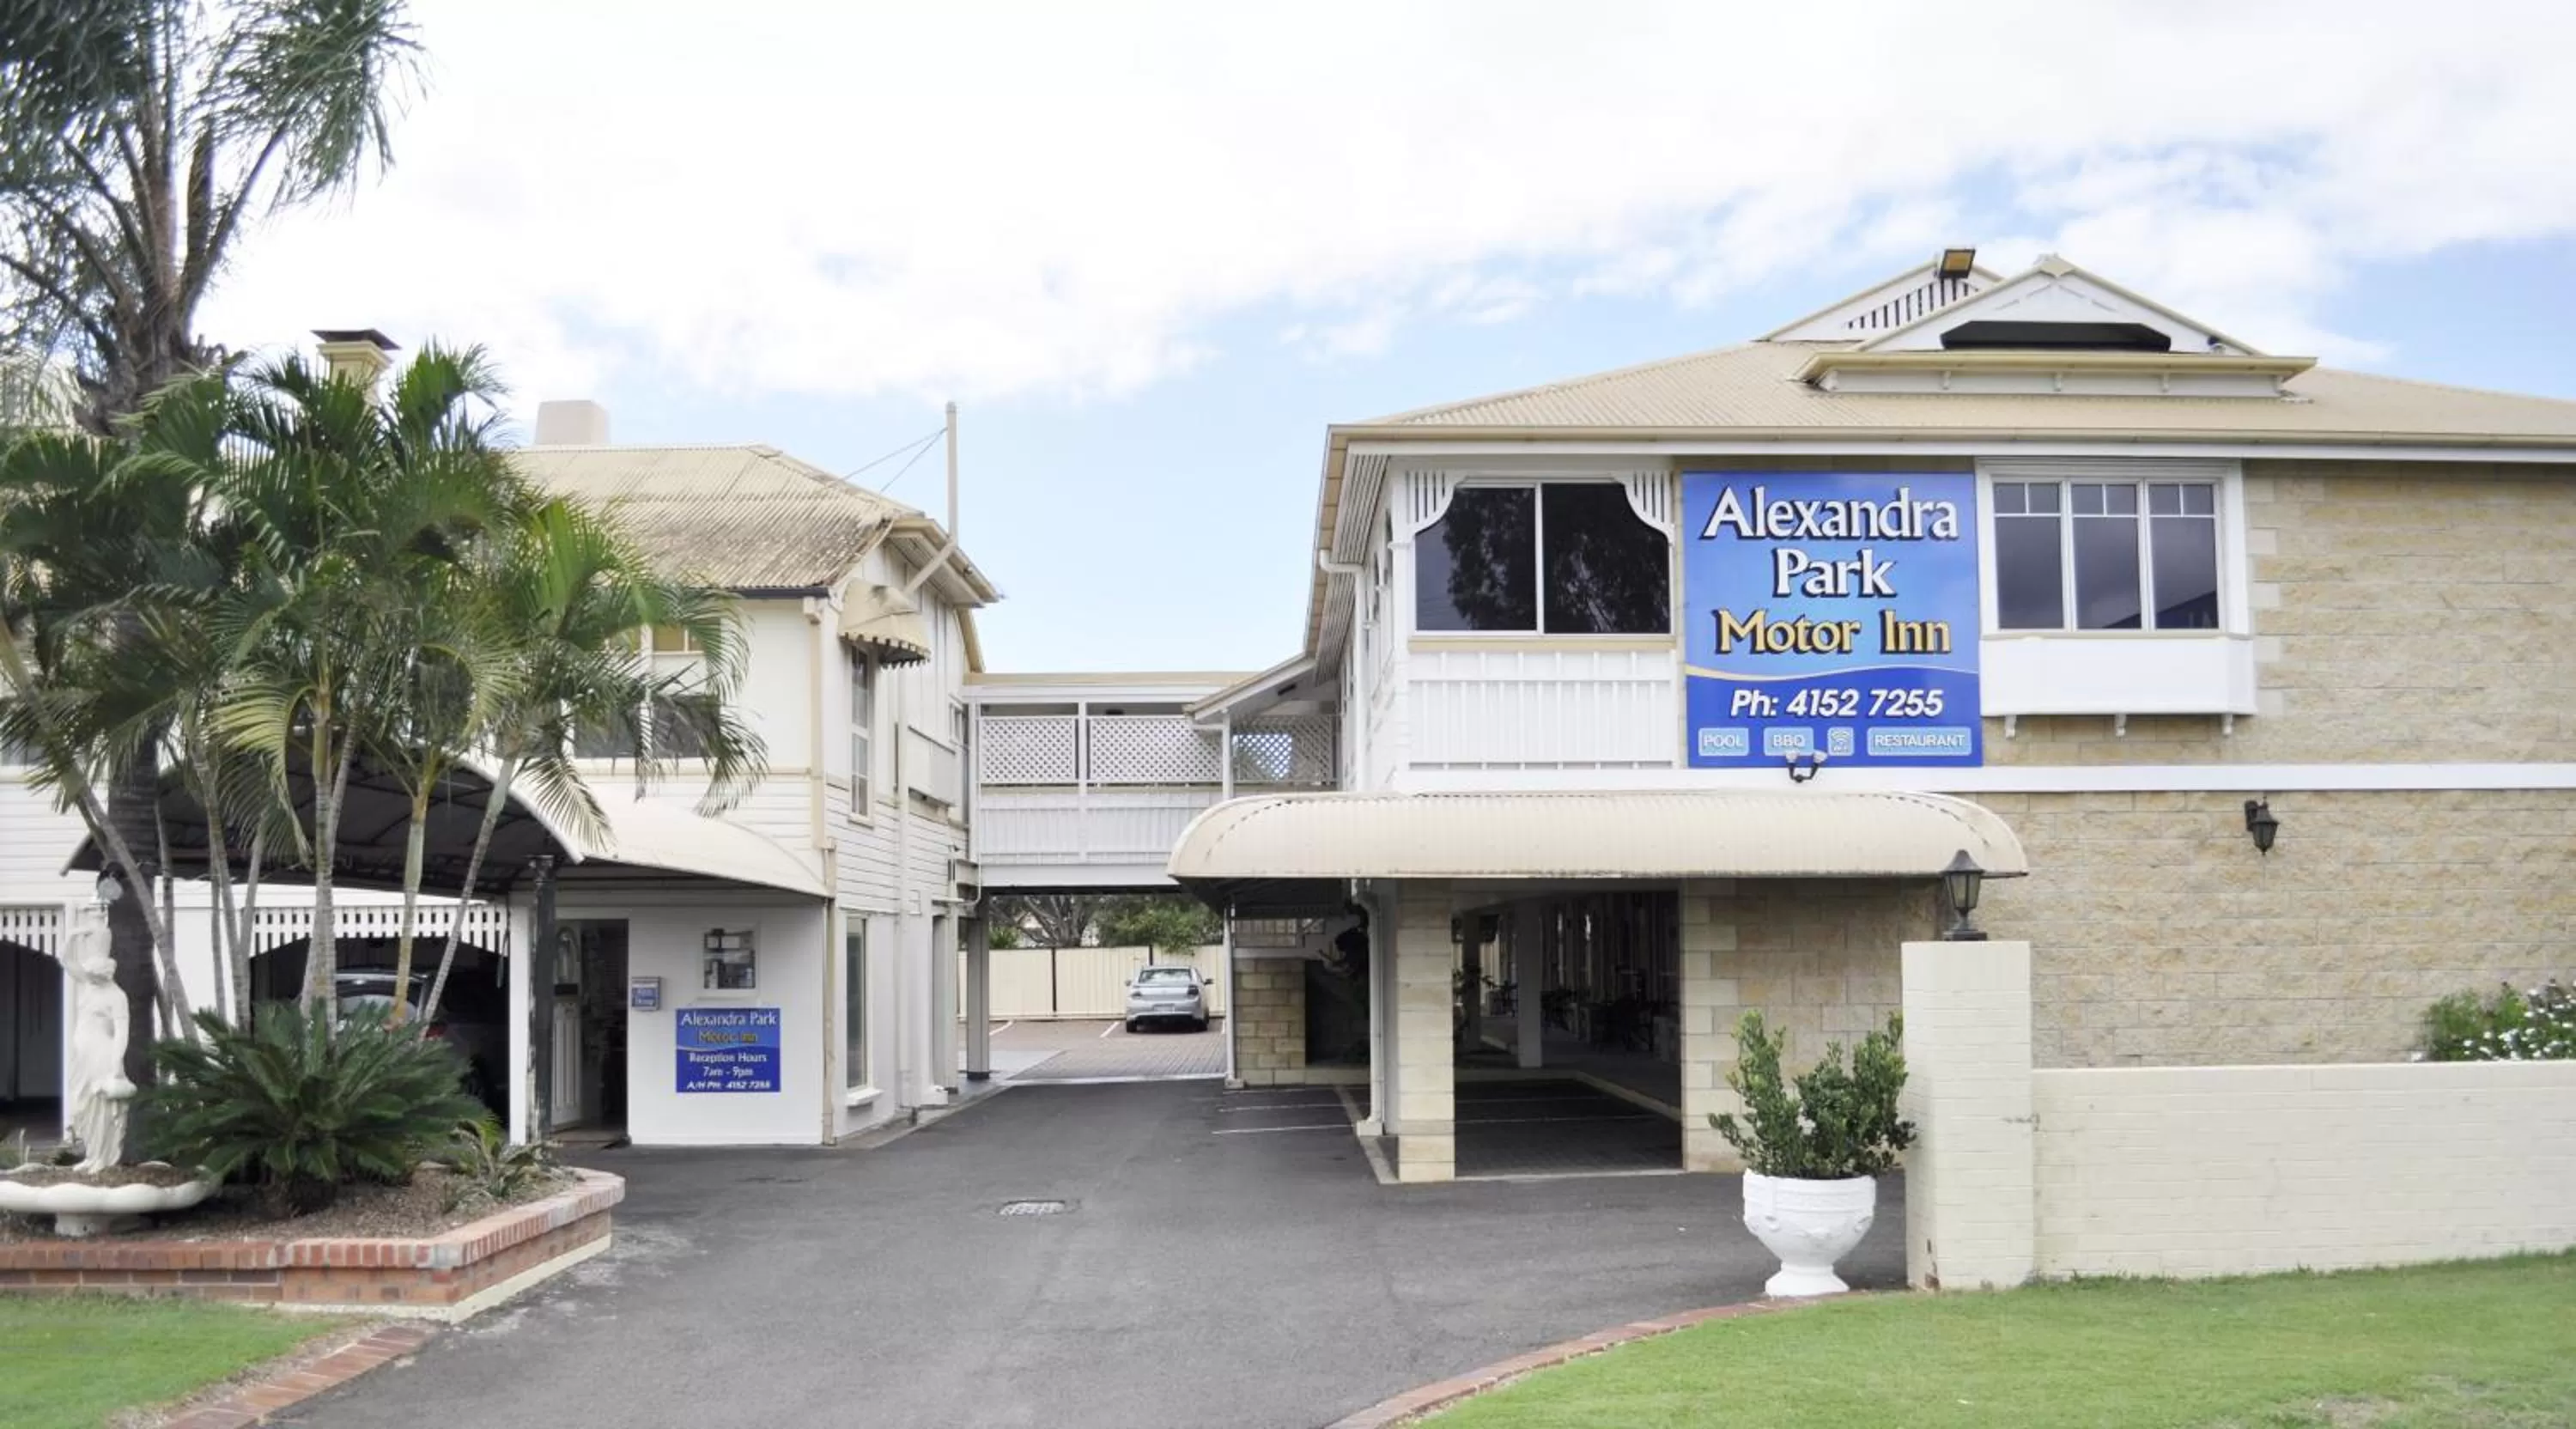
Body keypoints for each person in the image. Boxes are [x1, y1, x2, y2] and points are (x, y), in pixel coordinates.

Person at [58, 919, 137, 1172]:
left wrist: (116, 1064)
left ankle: (103, 1158)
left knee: (101, 1108)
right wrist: (74, 934)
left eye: (94, 976)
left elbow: (122, 1034)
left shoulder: (117, 997)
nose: (89, 978)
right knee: (83, 1106)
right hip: (82, 1057)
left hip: (102, 1056)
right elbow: (65, 960)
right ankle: (91, 1155)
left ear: (106, 973)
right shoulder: (88, 984)